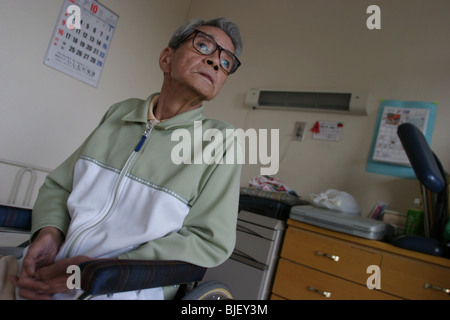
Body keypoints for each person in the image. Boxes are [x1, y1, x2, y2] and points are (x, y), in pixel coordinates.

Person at [11, 17, 243, 300]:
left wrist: (98, 271)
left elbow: (209, 241)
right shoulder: (119, 113)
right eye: (204, 45)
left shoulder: (220, 141)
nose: (216, 62)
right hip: (44, 270)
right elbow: (61, 186)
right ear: (166, 58)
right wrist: (49, 232)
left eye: (227, 62)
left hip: (124, 289)